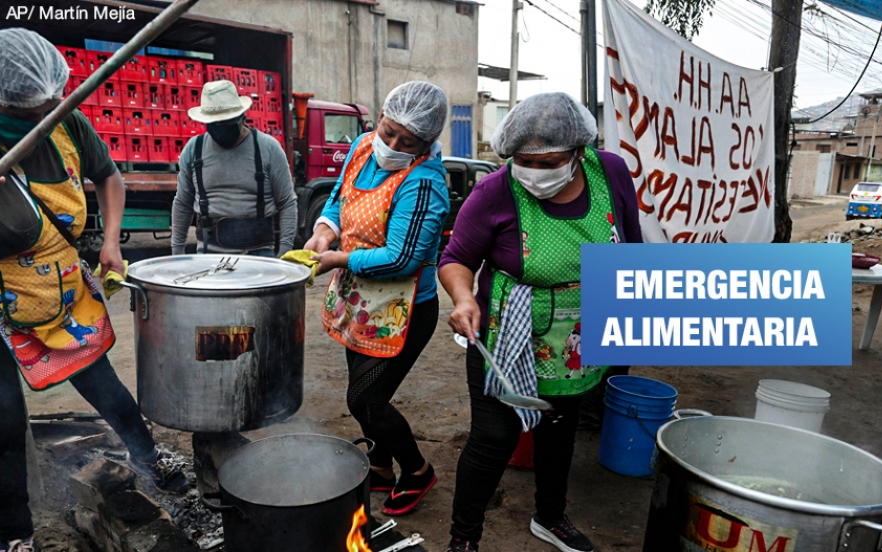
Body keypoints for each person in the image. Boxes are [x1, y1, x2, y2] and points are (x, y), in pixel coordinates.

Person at [0, 29, 188, 552]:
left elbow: (108, 176)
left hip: (58, 286)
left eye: (47, 108)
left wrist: (113, 242)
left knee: (103, 384)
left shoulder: (66, 121)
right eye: (26, 112)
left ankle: (149, 457)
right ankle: (16, 534)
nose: (40, 121)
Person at [438, 92, 643, 552]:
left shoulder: (608, 172)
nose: (535, 172)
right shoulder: (494, 191)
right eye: (524, 161)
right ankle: (463, 539)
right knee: (493, 436)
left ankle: (551, 517)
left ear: (577, 151)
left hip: (578, 333)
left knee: (558, 427)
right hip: (506, 329)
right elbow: (456, 259)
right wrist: (464, 296)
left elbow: (631, 244)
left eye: (549, 162)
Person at [304, 81, 450, 516]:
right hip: (358, 302)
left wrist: (337, 258)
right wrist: (324, 231)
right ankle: (381, 466)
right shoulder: (364, 147)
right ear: (379, 119)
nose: (391, 146)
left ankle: (418, 471)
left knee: (365, 399)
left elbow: (402, 259)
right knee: (361, 391)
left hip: (402, 311)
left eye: (407, 143)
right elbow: (338, 198)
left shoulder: (424, 183)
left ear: (425, 144)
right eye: (388, 132)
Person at [171, 80, 297, 257]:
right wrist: (177, 252)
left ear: (242, 117)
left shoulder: (268, 148)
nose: (220, 130)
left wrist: (284, 252)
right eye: (215, 124)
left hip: (259, 256)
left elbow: (287, 202)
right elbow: (183, 203)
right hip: (208, 256)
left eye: (226, 124)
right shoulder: (194, 150)